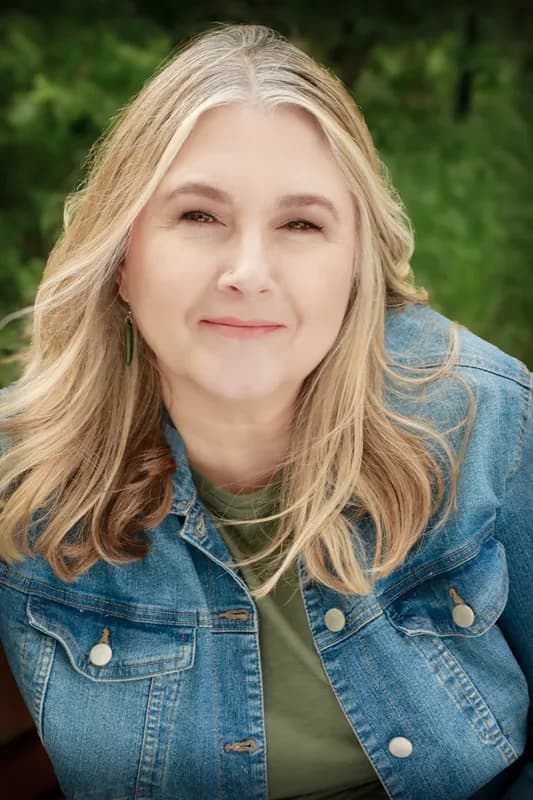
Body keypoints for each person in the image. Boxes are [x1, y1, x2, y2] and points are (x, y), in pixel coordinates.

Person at [0, 22, 531, 800]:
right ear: (120, 260)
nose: (247, 271)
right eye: (198, 216)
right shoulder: (23, 480)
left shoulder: (483, 421)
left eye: (301, 224)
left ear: (357, 270)